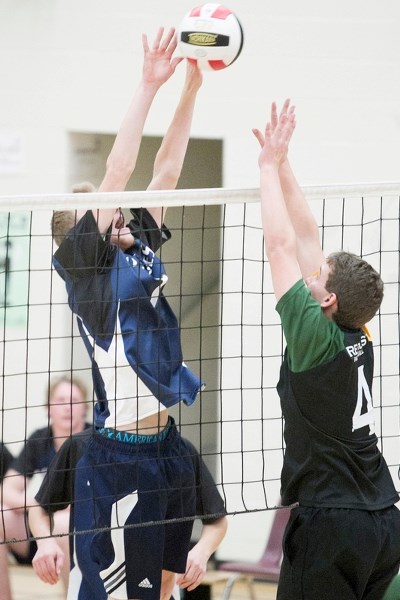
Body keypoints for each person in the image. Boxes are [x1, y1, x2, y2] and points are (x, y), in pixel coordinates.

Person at [50, 26, 205, 600]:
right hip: (116, 459)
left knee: (163, 590)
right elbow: (117, 172)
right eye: (108, 215)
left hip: (165, 447)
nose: (121, 217)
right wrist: (148, 86)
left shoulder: (132, 241)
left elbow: (165, 172)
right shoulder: (85, 275)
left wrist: (190, 87)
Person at [252, 100, 400, 600]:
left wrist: (266, 168)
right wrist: (285, 158)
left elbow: (280, 245)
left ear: (328, 299)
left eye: (316, 275)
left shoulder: (313, 338)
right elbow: (307, 237)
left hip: (332, 523)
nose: (308, 271)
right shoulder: (360, 331)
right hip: (384, 520)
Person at [29, 432, 227, 598]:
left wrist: (201, 552)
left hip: (158, 590)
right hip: (88, 591)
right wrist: (45, 542)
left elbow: (217, 520)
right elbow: (39, 508)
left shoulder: (178, 452)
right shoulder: (79, 447)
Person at [0, 375, 89, 600]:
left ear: (85, 409)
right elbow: (7, 490)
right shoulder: (40, 440)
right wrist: (42, 505)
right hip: (38, 529)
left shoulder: (93, 440)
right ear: (49, 408)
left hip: (83, 533)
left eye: (74, 401)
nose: (67, 408)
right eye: (60, 401)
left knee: (62, 524)